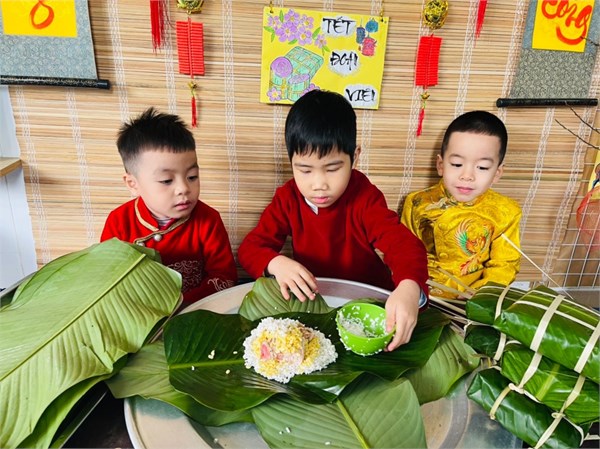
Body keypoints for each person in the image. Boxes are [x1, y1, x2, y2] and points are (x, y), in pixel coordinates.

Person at [238, 90, 429, 351]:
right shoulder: (288, 198)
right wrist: (275, 262)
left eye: (332, 169)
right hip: (314, 304)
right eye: (305, 170)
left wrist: (409, 287)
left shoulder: (365, 197)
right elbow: (251, 248)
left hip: (368, 304)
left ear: (355, 157)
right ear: (291, 161)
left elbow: (404, 245)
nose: (319, 184)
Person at [101, 107, 237, 304]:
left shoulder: (208, 220)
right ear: (133, 184)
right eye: (166, 180)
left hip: (195, 310)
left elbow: (224, 278)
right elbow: (107, 279)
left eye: (192, 177)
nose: (184, 188)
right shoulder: (119, 222)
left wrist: (182, 304)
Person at [401, 110, 521, 299]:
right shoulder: (417, 203)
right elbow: (403, 252)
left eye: (482, 167)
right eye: (457, 164)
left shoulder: (506, 212)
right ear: (441, 165)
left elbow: (505, 264)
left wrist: (480, 292)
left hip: (471, 298)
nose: (467, 176)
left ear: (497, 173)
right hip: (421, 294)